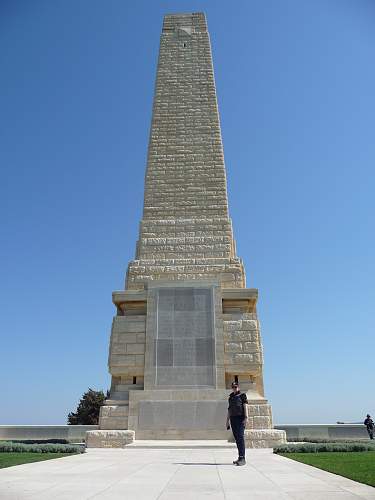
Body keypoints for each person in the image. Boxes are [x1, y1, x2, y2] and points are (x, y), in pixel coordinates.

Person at [226, 381, 248, 466]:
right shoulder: (230, 397)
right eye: (233, 387)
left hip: (240, 418)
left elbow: (245, 406)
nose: (234, 388)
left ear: (238, 387)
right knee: (237, 439)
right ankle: (240, 457)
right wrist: (227, 421)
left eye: (235, 387)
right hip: (233, 419)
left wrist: (246, 417)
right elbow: (229, 410)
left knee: (240, 438)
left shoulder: (242, 396)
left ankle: (243, 458)